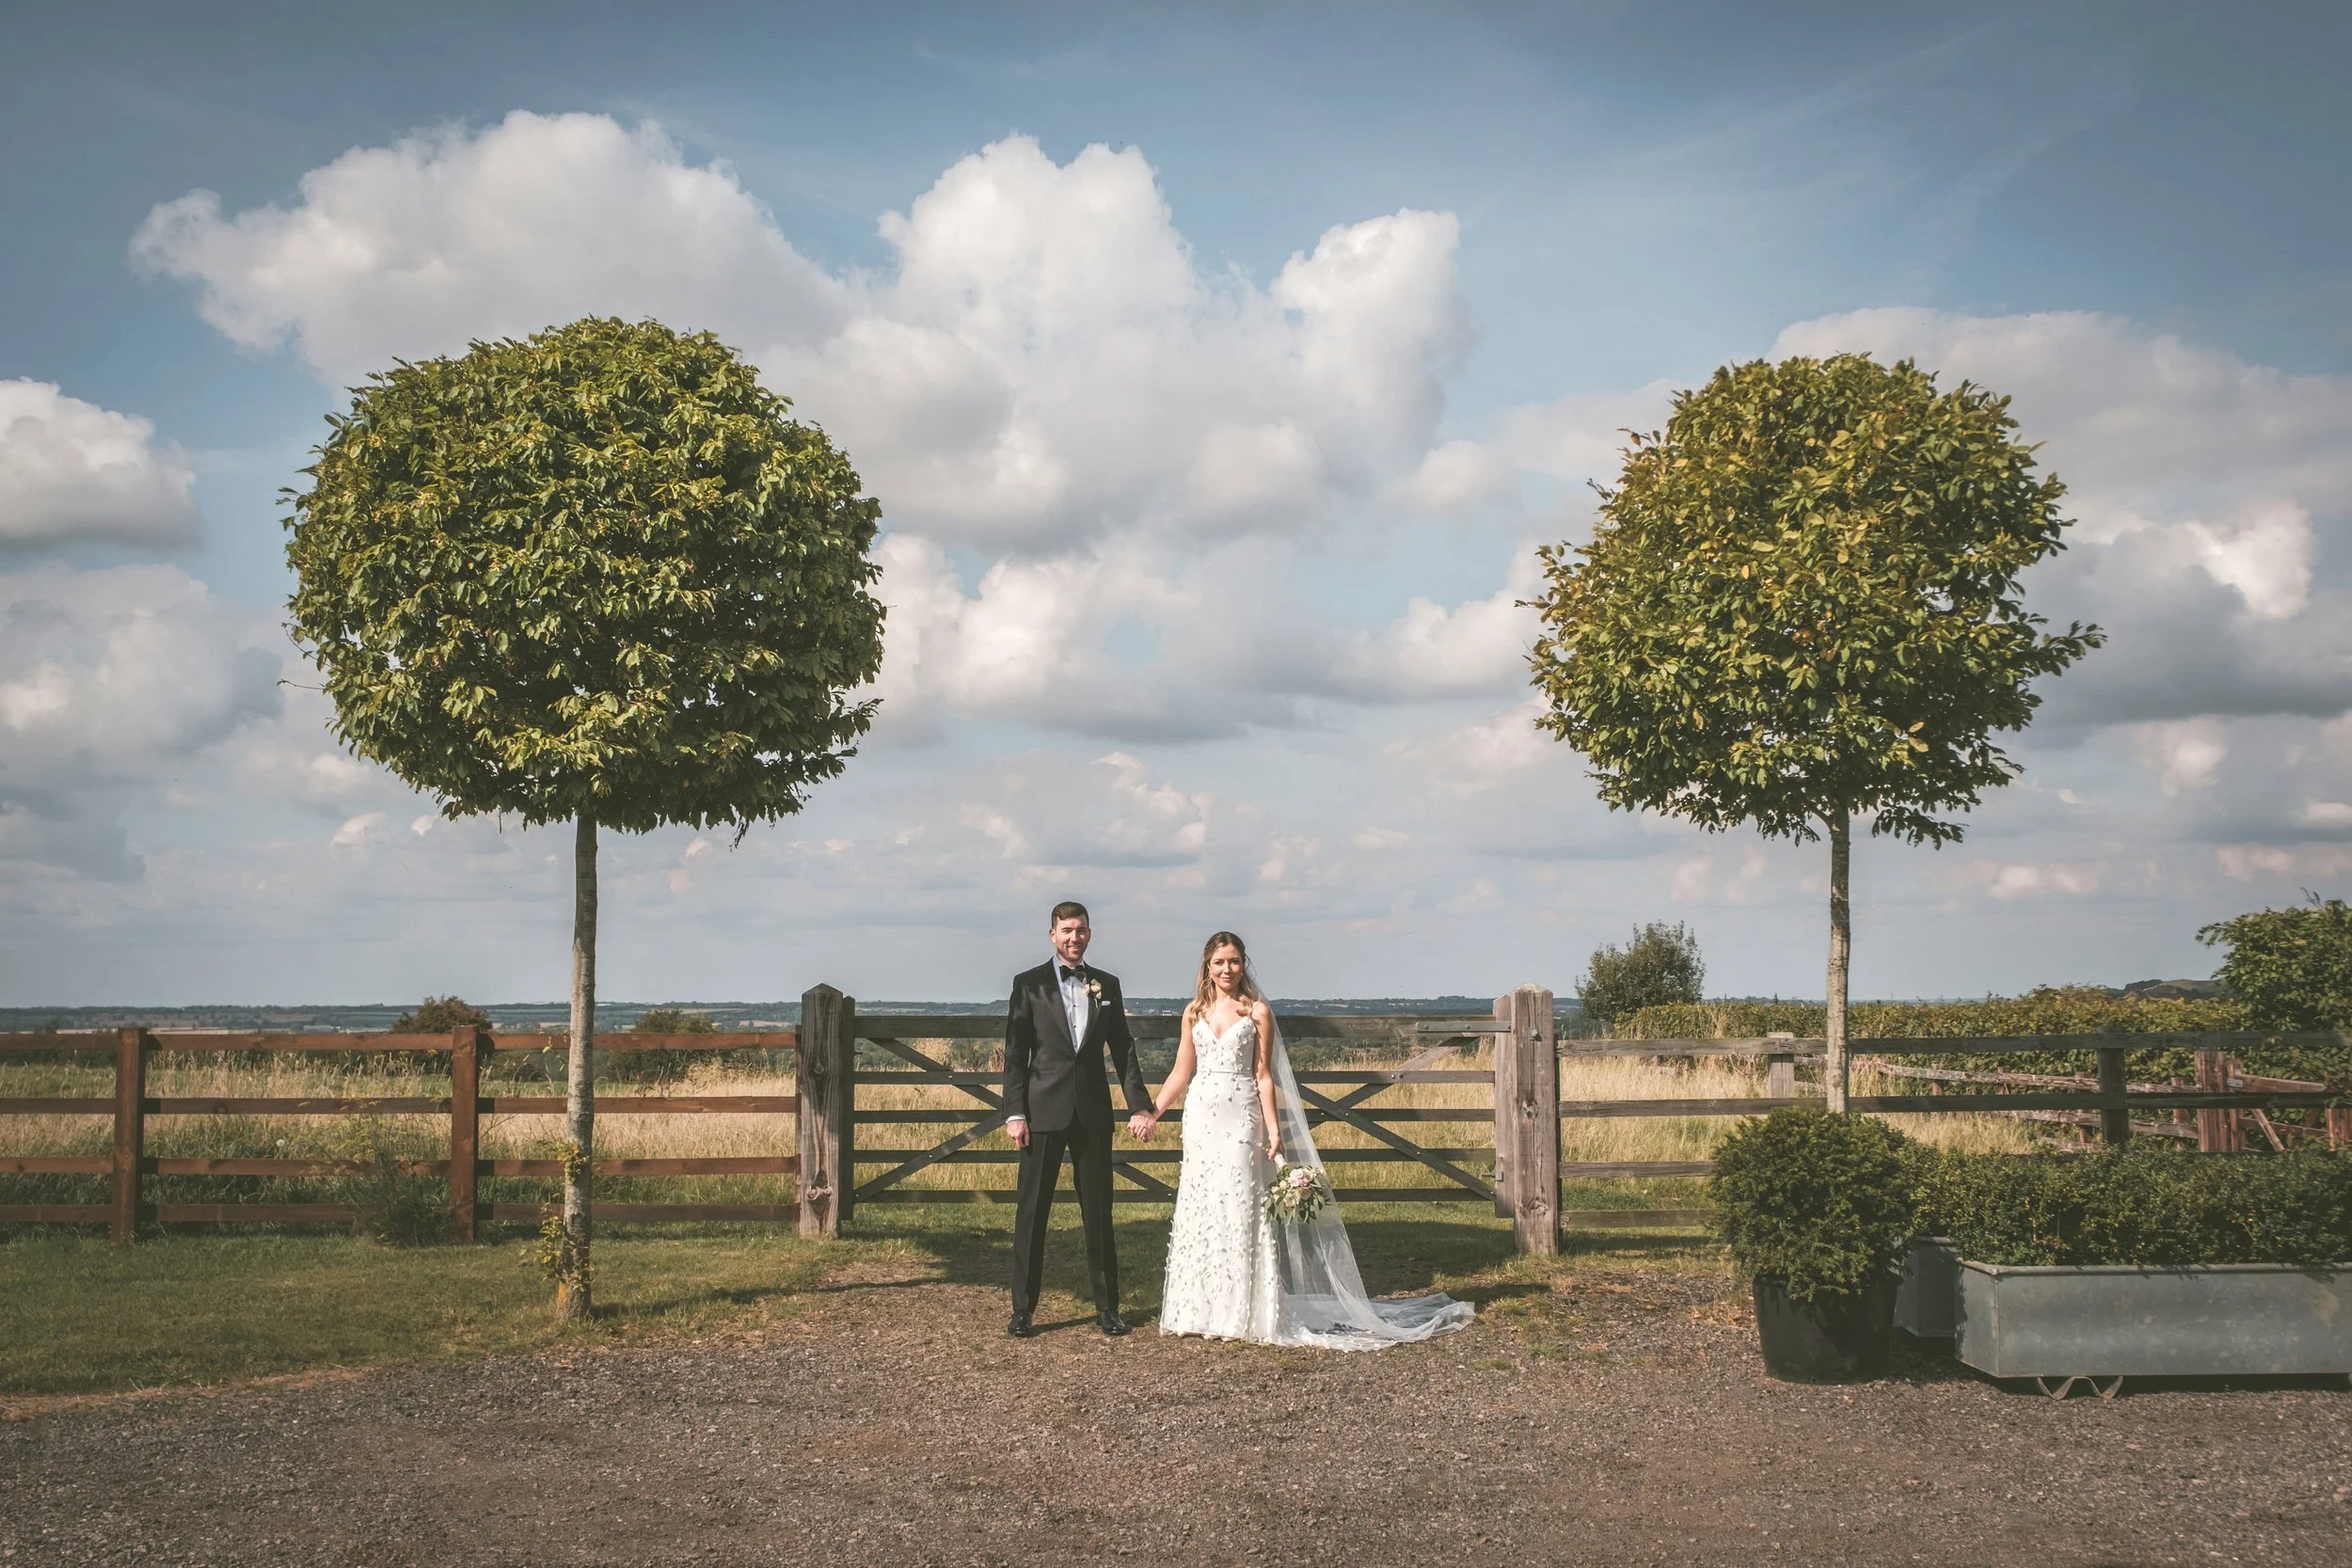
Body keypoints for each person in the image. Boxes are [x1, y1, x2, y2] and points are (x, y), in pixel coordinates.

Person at [1142, 930, 1474, 1349]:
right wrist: (1154, 1110)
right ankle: (1195, 1309)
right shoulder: (1193, 1012)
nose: (1228, 969)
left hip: (1242, 1117)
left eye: (1235, 961)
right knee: (1201, 1205)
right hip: (1201, 1117)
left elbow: (1263, 1075)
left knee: (1240, 1205)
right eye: (1219, 962)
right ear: (1207, 966)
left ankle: (1240, 1313)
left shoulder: (1257, 1012)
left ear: (1244, 964)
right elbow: (1180, 1072)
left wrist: (1274, 1129)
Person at [1002, 900, 1155, 1338]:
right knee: (1032, 1213)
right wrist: (1015, 1113)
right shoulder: (1028, 985)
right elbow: (1015, 1054)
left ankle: (1108, 1308)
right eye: (1067, 930)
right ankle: (1023, 1310)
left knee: (1099, 1212)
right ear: (1052, 934)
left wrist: (1138, 1104)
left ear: (1090, 933)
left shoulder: (1107, 985)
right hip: (1040, 1112)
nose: (1074, 937)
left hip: (1091, 1112)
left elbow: (1122, 1048)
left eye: (1081, 930)